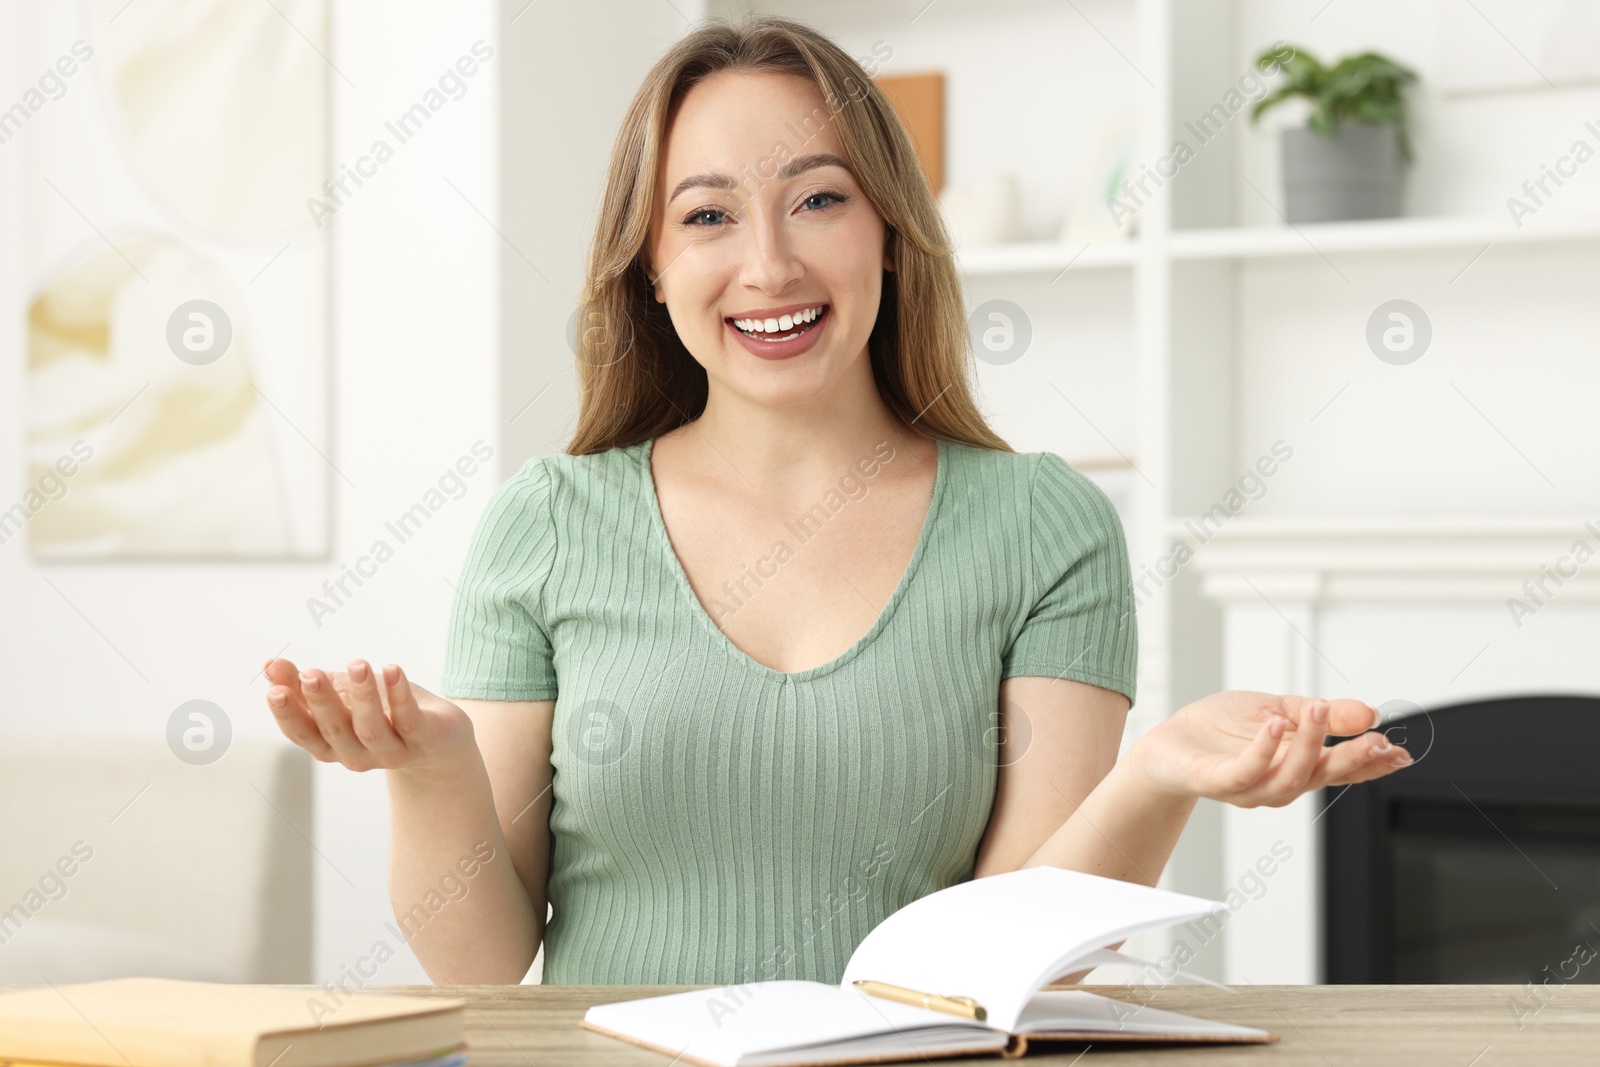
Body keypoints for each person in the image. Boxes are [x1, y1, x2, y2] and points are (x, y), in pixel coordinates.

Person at [261, 14, 1412, 987]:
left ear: (892, 236)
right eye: (707, 215)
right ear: (651, 270)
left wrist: (1153, 773)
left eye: (817, 199)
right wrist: (432, 769)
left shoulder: (1043, 527)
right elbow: (481, 965)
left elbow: (1010, 953)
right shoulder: (550, 521)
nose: (768, 265)